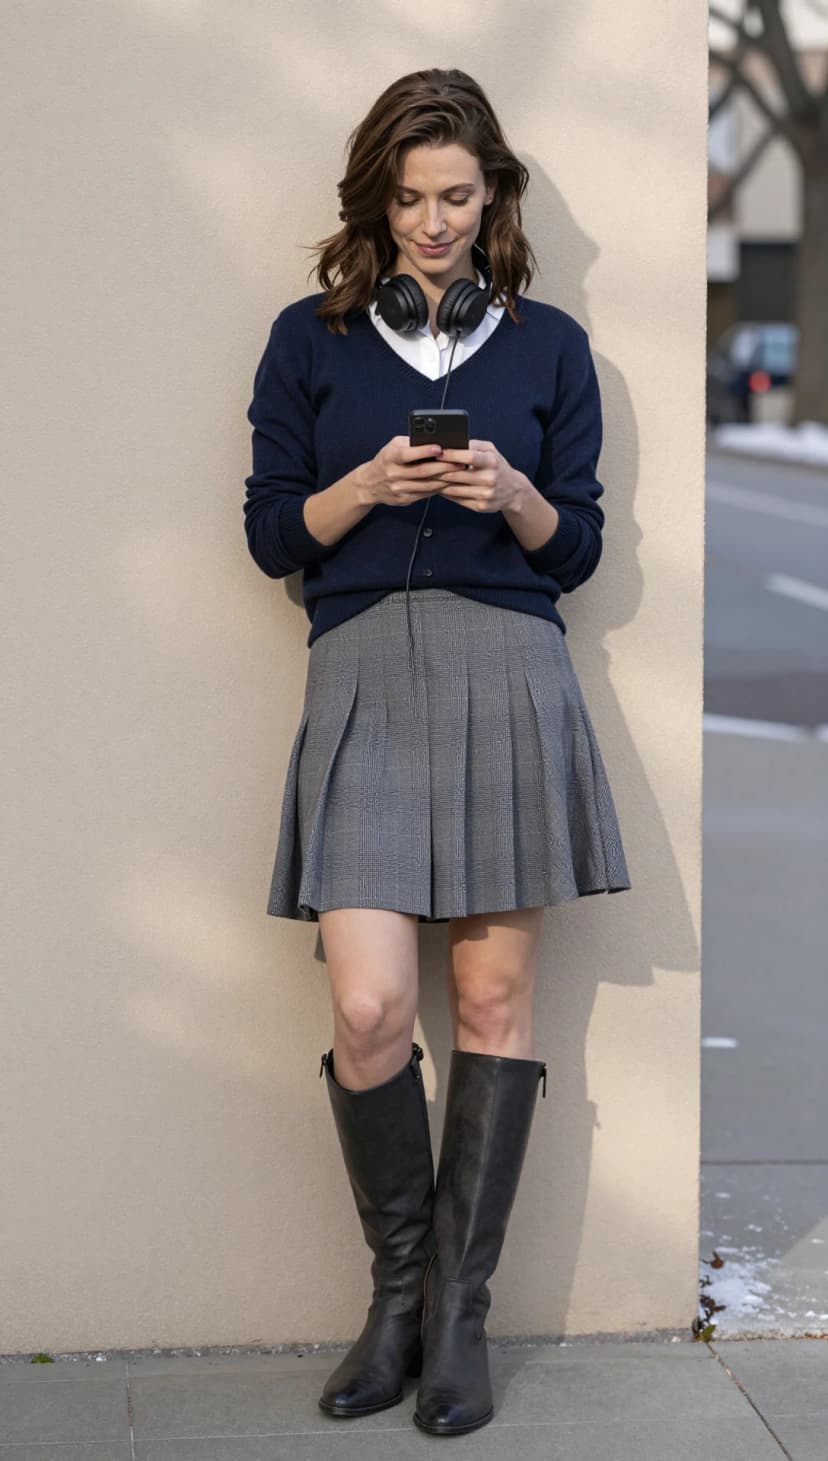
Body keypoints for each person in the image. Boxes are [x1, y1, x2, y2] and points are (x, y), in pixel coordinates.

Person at [243, 67, 632, 1438]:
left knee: (491, 1012)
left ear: (493, 199)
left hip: (506, 673)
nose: (433, 224)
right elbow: (269, 533)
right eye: (408, 199)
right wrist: (363, 488)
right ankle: (396, 1293)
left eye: (457, 197)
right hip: (360, 673)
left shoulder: (550, 350)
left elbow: (577, 550)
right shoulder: (309, 340)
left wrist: (513, 493)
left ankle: (459, 1320)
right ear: (376, 204)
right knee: (367, 1010)